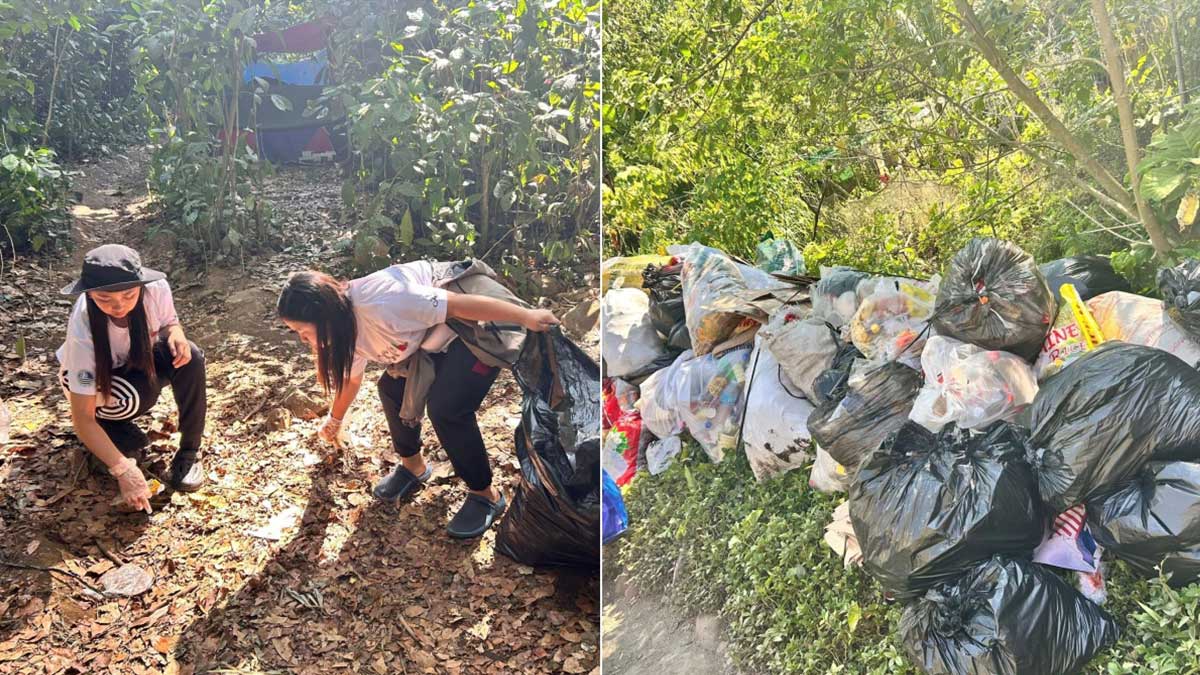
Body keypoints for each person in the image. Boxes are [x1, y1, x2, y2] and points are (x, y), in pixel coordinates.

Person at [277, 258, 558, 538]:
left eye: (303, 331)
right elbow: (351, 380)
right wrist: (335, 420)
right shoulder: (340, 332)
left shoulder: (385, 301)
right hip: (427, 338)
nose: (303, 340)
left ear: (325, 316)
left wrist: (525, 316)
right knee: (391, 388)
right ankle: (413, 466)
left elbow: (459, 304)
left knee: (447, 407)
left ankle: (486, 494)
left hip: (469, 326)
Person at [57, 245, 207, 513]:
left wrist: (176, 333)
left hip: (138, 360)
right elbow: (81, 417)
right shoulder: (83, 326)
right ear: (89, 294)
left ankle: (189, 452)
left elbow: (169, 322)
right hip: (100, 381)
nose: (119, 306)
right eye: (104, 299)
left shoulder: (156, 288)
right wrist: (122, 469)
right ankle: (112, 428)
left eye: (129, 295)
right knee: (133, 397)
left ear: (140, 284)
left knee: (191, 356)